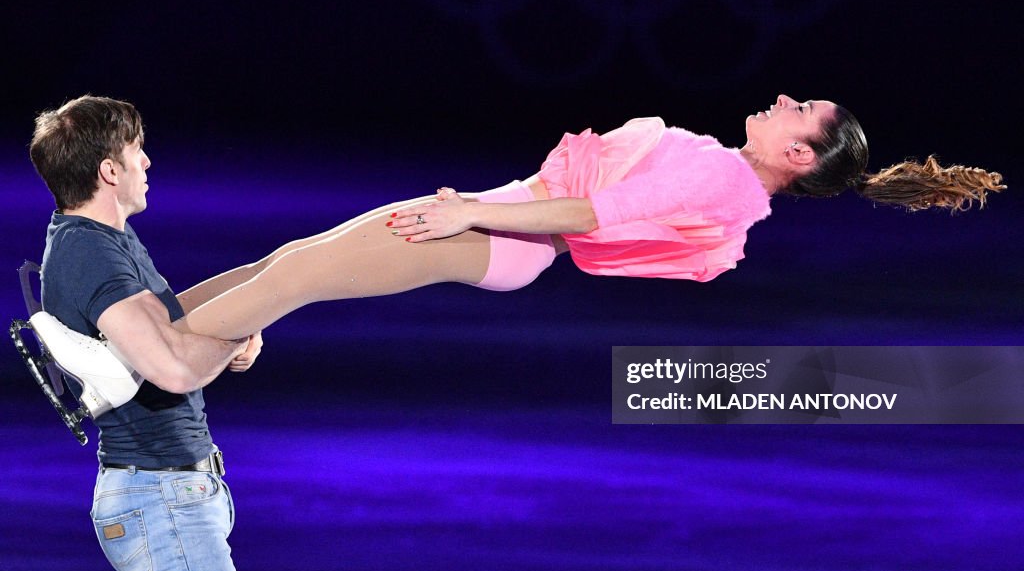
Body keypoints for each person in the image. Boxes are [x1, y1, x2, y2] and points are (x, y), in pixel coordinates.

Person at [170, 94, 1005, 342]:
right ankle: (154, 332)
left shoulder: (724, 183)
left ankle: (134, 366)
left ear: (800, 155)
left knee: (296, 275)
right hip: (507, 220)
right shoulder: (724, 170)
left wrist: (470, 211)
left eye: (801, 111)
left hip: (503, 229)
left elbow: (596, 213)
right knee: (289, 262)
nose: (784, 98)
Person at [29, 96, 264, 571]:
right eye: (138, 150)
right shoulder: (88, 252)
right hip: (161, 500)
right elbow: (174, 366)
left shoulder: (103, 238)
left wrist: (245, 314)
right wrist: (231, 338)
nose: (148, 161)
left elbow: (170, 320)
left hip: (171, 494)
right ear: (109, 170)